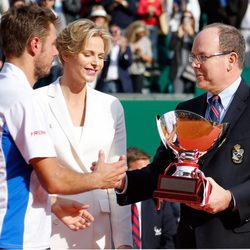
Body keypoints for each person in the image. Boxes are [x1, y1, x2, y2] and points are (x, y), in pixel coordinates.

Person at [0, 4, 126, 249]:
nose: (55, 52)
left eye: (100, 56)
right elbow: (53, 178)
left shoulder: (8, 91)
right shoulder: (26, 99)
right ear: (35, 45)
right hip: (18, 236)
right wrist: (100, 178)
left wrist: (54, 204)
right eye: (53, 45)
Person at [116, 22, 250, 248]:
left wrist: (229, 198)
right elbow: (158, 173)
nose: (195, 64)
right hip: (187, 240)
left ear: (231, 60)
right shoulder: (186, 111)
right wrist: (122, 181)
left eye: (203, 57)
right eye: (193, 57)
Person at [35, 19, 133, 249]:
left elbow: (118, 179)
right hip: (51, 225)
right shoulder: (36, 101)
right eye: (88, 54)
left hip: (100, 230)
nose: (95, 63)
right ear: (66, 55)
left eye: (100, 56)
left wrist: (124, 242)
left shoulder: (112, 105)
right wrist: (54, 203)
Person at [127, 147, 179, 249]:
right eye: (140, 172)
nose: (145, 177)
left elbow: (169, 240)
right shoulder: (113, 203)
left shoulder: (161, 203)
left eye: (148, 171)